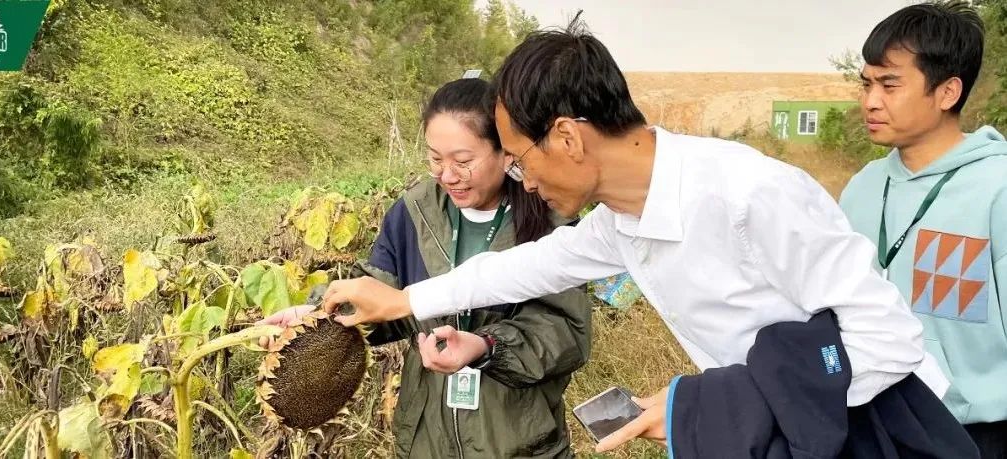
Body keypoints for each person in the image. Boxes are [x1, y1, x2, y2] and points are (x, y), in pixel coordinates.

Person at [316, 18, 960, 454]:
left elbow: (886, 342)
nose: (523, 179)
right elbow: (526, 268)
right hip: (793, 431)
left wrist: (707, 406)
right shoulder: (622, 220)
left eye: (520, 158)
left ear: (567, 138)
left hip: (877, 427)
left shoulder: (750, 196)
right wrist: (402, 303)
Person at [262, 78, 592, 458]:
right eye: (435, 159)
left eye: (463, 161)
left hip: (520, 442)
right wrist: (317, 318)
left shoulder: (548, 217)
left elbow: (565, 334)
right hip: (426, 440)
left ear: (505, 152)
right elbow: (380, 295)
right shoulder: (414, 212)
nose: (447, 175)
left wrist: (485, 346)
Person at [839, 2, 1007, 456]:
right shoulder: (863, 187)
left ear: (948, 91)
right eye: (867, 83)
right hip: (875, 422)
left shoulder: (998, 188)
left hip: (978, 433)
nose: (870, 100)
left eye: (890, 84)